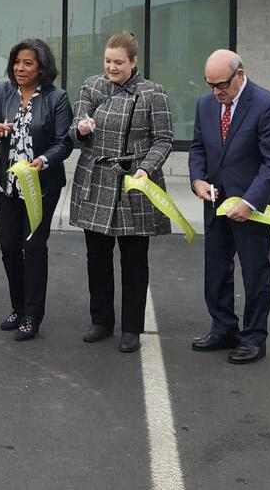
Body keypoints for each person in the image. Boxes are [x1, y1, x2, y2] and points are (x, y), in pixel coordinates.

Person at [69, 31, 173, 354]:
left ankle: (131, 327)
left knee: (134, 260)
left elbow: (164, 140)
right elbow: (74, 129)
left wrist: (147, 169)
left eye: (118, 62)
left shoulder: (152, 93)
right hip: (96, 179)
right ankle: (101, 321)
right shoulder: (92, 87)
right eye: (107, 61)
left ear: (133, 62)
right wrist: (81, 129)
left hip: (134, 182)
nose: (111, 67)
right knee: (97, 257)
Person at [188, 49, 270, 365]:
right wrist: (197, 180)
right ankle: (223, 329)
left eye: (221, 85)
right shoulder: (205, 104)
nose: (216, 92)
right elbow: (198, 148)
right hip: (216, 202)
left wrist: (249, 202)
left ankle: (254, 338)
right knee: (216, 270)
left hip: (253, 206)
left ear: (240, 75)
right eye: (210, 85)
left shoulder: (266, 105)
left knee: (255, 273)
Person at [0, 39, 73, 341]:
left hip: (40, 186)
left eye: (28, 63)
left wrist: (43, 161)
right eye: (17, 62)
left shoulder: (57, 98)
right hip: (8, 184)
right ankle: (18, 307)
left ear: (42, 67)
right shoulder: (1, 91)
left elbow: (64, 142)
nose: (20, 68)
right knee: (9, 247)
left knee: (32, 247)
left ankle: (32, 315)